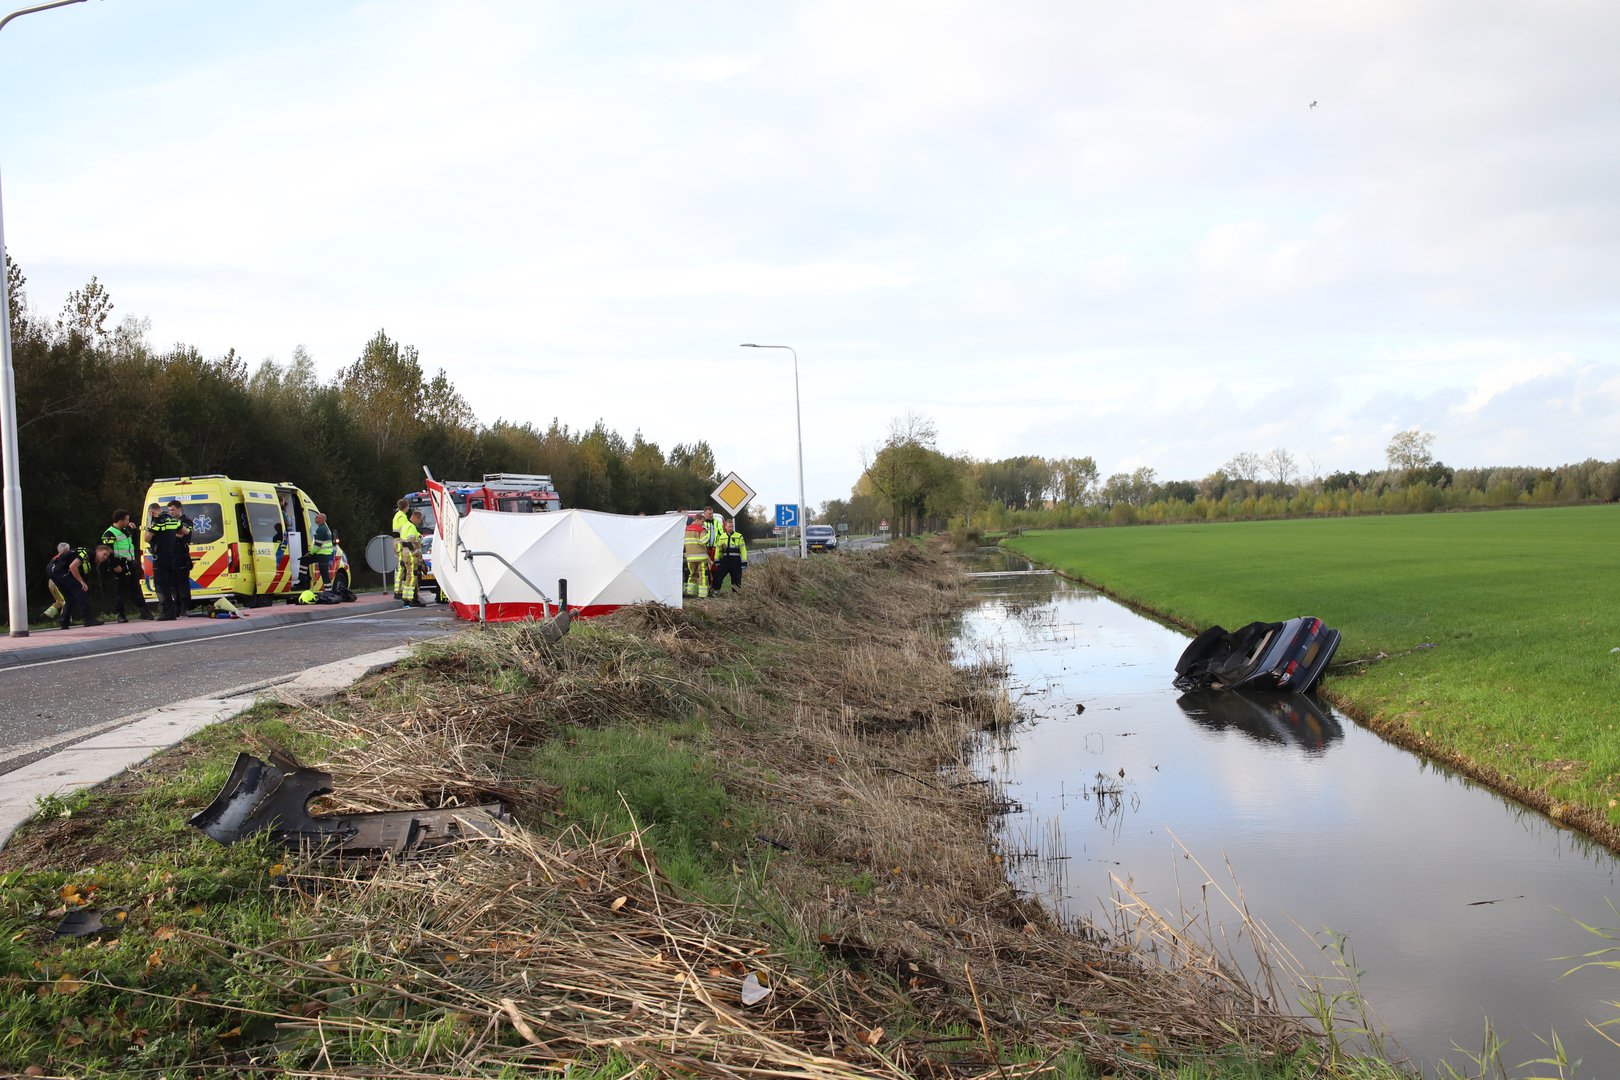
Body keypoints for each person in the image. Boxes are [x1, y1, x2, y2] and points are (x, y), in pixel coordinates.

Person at [101, 510, 153, 622]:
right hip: (119, 564)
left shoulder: (125, 531)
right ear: (120, 520)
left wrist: (134, 531)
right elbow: (107, 552)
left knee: (136, 588)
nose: (128, 521)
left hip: (130, 563)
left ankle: (144, 611)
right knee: (120, 590)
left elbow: (132, 544)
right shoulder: (109, 533)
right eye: (127, 519)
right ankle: (121, 614)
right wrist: (114, 565)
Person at [147, 499, 194, 620]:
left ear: (179, 509)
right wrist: (171, 533)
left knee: (181, 583)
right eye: (169, 510)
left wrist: (165, 533)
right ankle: (176, 609)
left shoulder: (186, 521)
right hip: (172, 555)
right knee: (172, 584)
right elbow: (179, 533)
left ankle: (184, 608)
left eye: (173, 509)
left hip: (180, 555)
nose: (171, 512)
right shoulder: (172, 521)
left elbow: (184, 533)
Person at [46, 542, 101, 629]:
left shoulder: (82, 555)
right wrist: (81, 582)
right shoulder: (88, 553)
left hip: (52, 569)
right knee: (80, 590)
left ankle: (64, 622)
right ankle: (88, 619)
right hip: (57, 569)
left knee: (69, 597)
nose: (105, 557)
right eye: (104, 554)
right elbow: (72, 567)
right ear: (97, 551)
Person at [398, 509, 426, 608]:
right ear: (416, 518)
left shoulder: (406, 526)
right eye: (420, 520)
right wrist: (415, 553)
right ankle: (410, 600)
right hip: (410, 555)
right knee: (412, 577)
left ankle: (409, 600)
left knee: (409, 577)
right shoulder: (411, 527)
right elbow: (410, 542)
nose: (420, 522)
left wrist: (419, 536)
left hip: (405, 554)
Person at [712, 517, 748, 592]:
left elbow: (743, 549)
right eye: (729, 526)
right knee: (718, 575)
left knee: (736, 578)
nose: (731, 528)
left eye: (732, 526)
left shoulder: (739, 536)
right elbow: (718, 549)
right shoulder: (722, 537)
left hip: (735, 561)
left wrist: (744, 561)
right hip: (724, 560)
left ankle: (736, 593)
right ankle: (715, 591)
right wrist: (716, 559)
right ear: (725, 526)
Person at [391, 498, 411, 599]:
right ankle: (398, 591)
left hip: (397, 542)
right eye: (408, 505)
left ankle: (399, 590)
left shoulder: (398, 515)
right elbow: (405, 531)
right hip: (400, 543)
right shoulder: (402, 516)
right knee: (402, 567)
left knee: (402, 567)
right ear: (406, 506)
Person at [309, 512, 335, 588]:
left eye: (317, 517)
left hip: (322, 554)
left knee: (324, 572)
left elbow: (317, 545)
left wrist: (310, 553)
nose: (315, 518)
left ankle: (328, 590)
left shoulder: (321, 529)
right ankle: (303, 581)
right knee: (304, 561)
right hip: (324, 554)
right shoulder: (324, 528)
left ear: (322, 519)